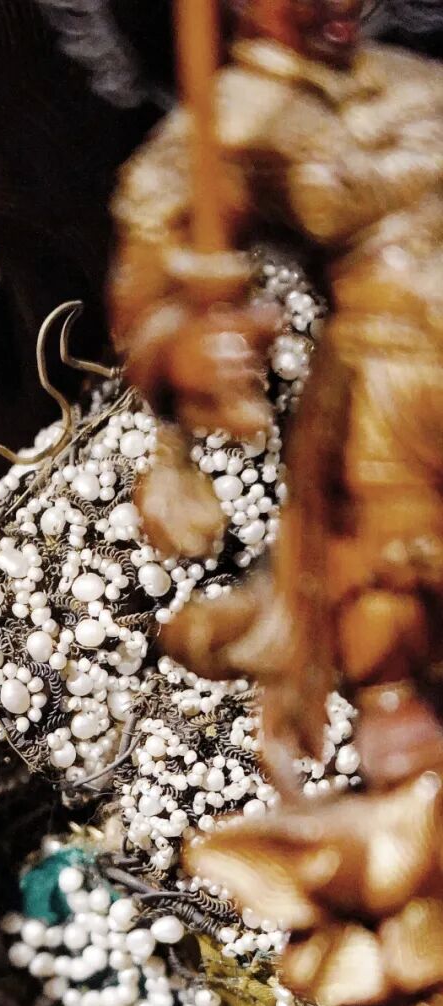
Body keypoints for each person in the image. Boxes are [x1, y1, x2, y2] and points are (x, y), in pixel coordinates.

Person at [109, 0, 443, 791]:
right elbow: (147, 296)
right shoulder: (227, 123)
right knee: (394, 604)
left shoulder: (415, 82)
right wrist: (186, 350)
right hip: (383, 395)